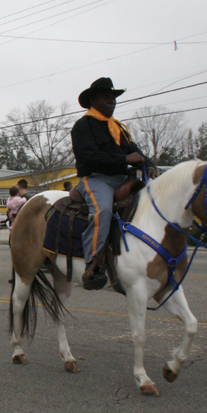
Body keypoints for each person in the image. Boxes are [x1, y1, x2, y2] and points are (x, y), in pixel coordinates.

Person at [71, 77, 155, 290]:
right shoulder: (83, 125)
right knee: (104, 211)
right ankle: (93, 264)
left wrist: (150, 163)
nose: (112, 101)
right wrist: (124, 160)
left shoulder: (118, 127)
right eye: (106, 97)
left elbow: (135, 150)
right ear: (94, 100)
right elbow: (89, 156)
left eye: (113, 98)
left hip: (123, 179)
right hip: (96, 179)